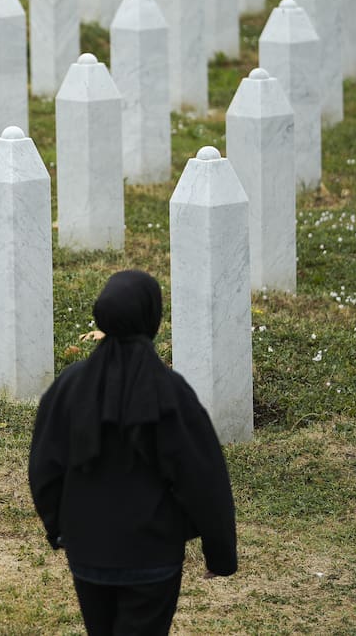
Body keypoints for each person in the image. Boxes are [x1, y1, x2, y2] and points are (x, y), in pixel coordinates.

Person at [28, 270, 237, 635]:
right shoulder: (171, 392)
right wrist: (220, 555)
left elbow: (44, 467)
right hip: (152, 556)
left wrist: (59, 528)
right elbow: (204, 480)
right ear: (151, 317)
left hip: (87, 553)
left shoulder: (69, 386)